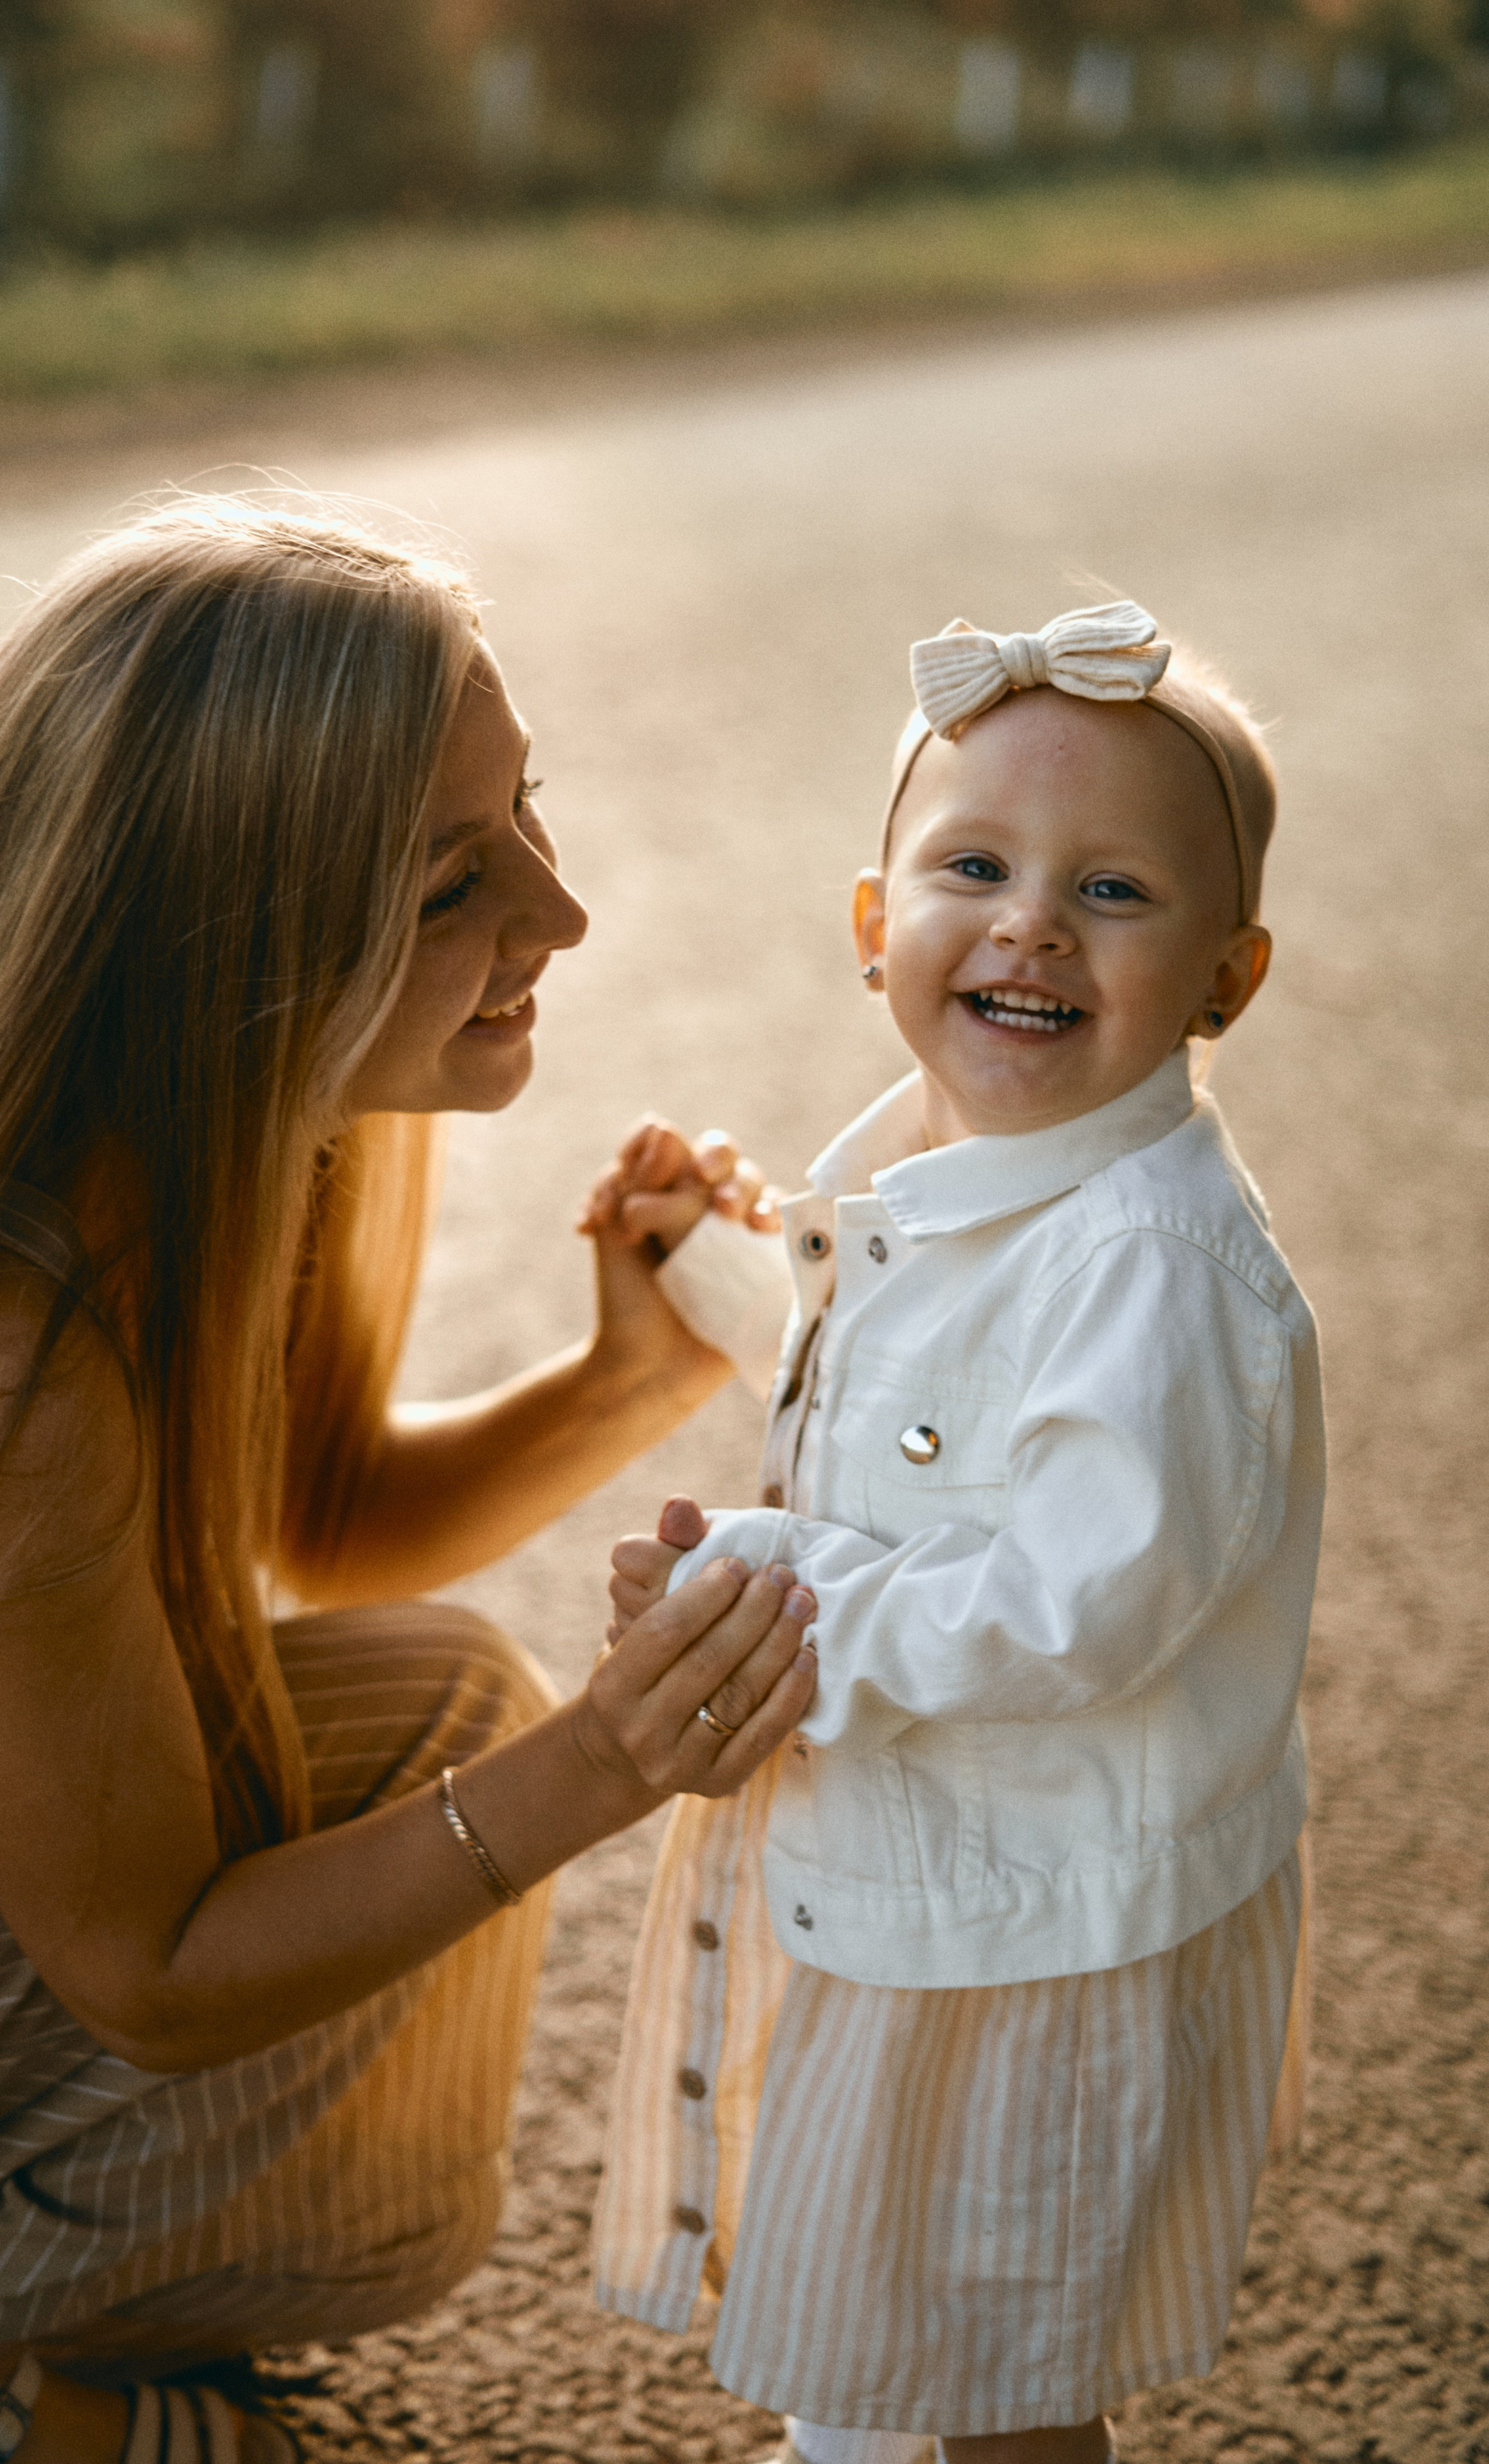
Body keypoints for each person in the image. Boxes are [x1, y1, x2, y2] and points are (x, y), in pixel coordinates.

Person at [0, 497, 821, 2464]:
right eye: (458, 878)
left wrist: (634, 1375)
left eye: (522, 814)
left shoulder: (247, 1098)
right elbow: (150, 1972)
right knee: (455, 1779)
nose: (557, 914)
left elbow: (330, 1512)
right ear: (223, 932)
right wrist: (609, 1764)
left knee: (426, 1744)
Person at [590, 602, 1323, 2464]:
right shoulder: (961, 1177)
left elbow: (1073, 1604)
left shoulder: (1156, 1267)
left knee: (996, 2375)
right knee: (881, 2298)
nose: (1032, 923)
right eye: (976, 866)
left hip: (1036, 1942)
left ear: (1227, 978)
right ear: (874, 928)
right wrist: (724, 1264)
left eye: (1115, 891)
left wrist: (773, 1594)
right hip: (938, 1893)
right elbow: (905, 1383)